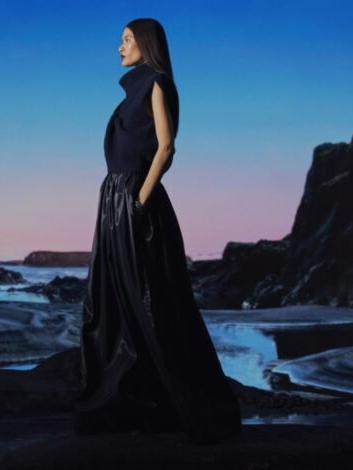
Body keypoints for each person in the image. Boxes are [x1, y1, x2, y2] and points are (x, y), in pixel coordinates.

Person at [72, 18, 243, 444]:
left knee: (152, 305)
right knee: (111, 300)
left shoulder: (158, 84)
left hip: (134, 201)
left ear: (145, 44)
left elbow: (166, 148)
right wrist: (120, 201)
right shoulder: (131, 91)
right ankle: (128, 399)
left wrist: (138, 201)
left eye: (127, 40)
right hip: (114, 198)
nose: (119, 47)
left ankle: (180, 404)